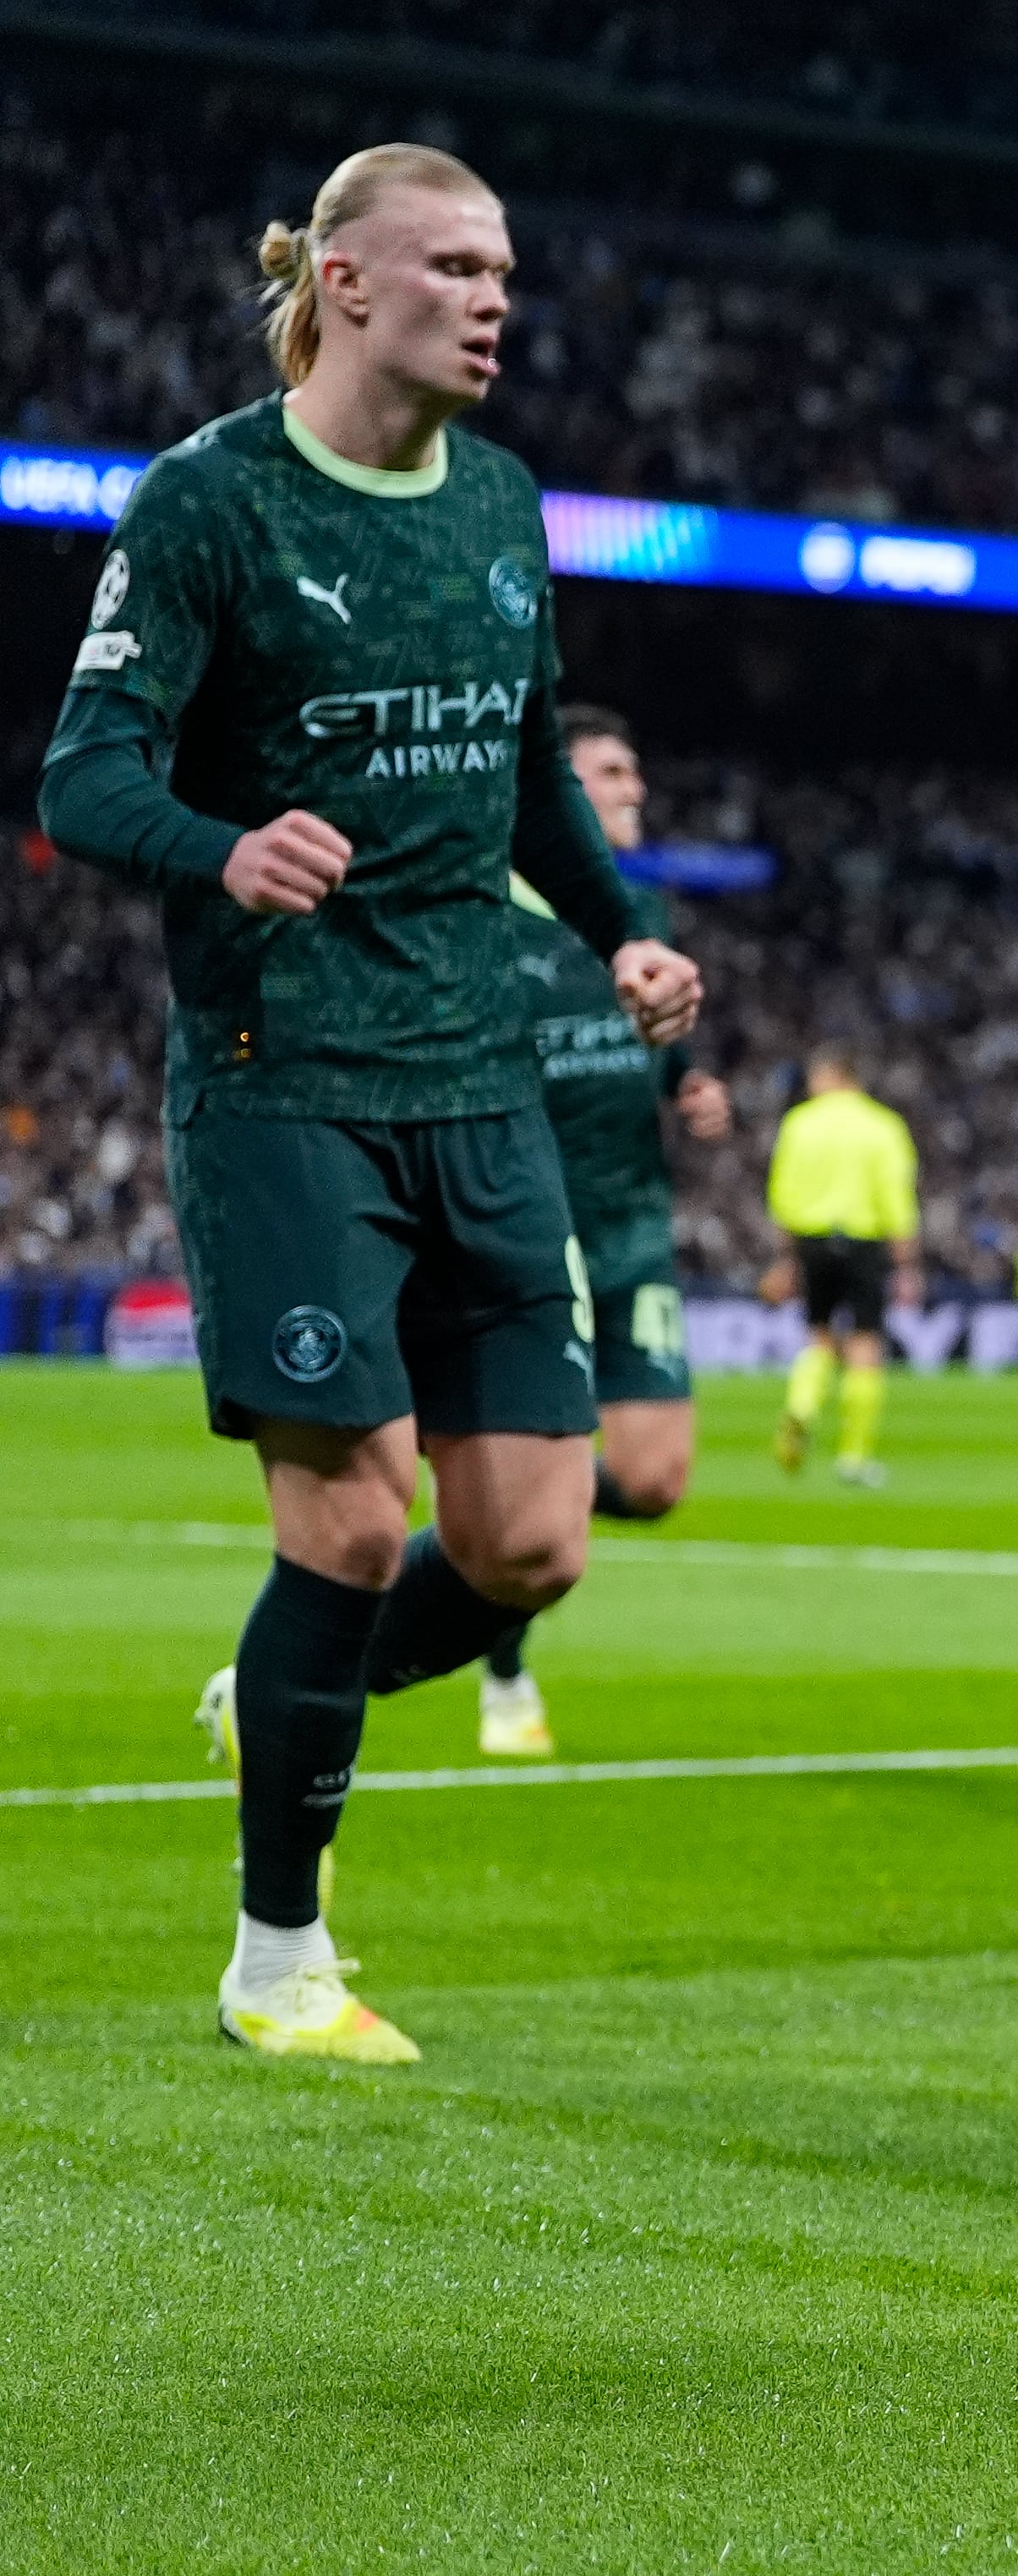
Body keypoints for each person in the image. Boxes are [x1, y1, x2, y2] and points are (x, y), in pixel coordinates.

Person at [33, 141, 702, 2063]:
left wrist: (624, 932)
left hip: (479, 1071)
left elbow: (532, 783)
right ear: (342, 282)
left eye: (507, 269)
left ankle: (284, 1687)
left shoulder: (501, 502)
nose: (498, 299)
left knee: (529, 1546)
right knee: (342, 1526)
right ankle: (278, 1964)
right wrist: (218, 846)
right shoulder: (208, 505)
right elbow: (84, 773)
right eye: (459, 267)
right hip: (283, 1077)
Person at [463, 704, 734, 1756]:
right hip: (531, 1234)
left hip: (631, 1228)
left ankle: (474, 1545)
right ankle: (501, 1660)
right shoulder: (485, 917)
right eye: (612, 772)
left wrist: (689, 1088)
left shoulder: (642, 910)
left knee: (655, 1479)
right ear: (559, 792)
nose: (636, 790)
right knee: (548, 1493)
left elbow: (652, 1051)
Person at [764, 1050, 918, 1486]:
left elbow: (783, 1195)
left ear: (833, 1076)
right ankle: (854, 1456)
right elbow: (897, 1197)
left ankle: (801, 1407)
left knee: (819, 1336)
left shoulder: (800, 1124)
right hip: (865, 1240)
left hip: (812, 1240)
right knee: (866, 1343)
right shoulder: (883, 1126)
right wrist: (906, 1263)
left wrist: (786, 1259)